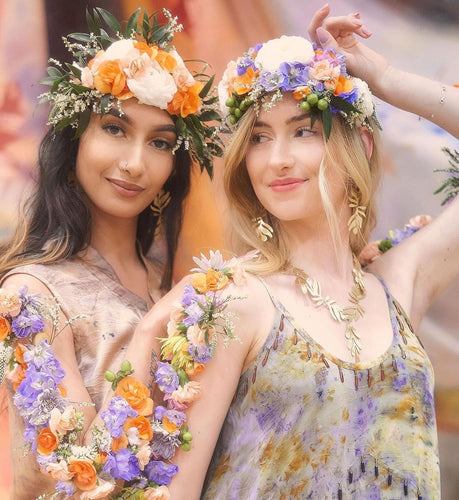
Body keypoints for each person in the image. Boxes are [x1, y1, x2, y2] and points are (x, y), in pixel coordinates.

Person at [114, 4, 459, 499]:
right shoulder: (234, 302)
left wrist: (384, 78)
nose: (277, 159)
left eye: (304, 130)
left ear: (358, 143)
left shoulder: (398, 284)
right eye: (258, 137)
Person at [0, 7, 221, 498]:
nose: (135, 164)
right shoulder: (29, 296)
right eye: (115, 129)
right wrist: (145, 338)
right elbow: (80, 477)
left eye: (160, 142)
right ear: (74, 138)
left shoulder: (166, 281)